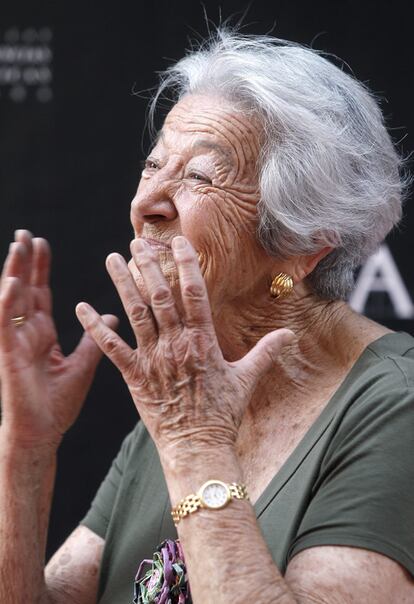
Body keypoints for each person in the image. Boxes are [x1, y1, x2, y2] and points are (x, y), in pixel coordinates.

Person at [1, 28, 414, 604]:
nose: (147, 203)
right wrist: (27, 444)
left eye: (198, 177)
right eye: (153, 165)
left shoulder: (397, 405)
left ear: (303, 247)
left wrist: (195, 442)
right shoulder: (182, 397)